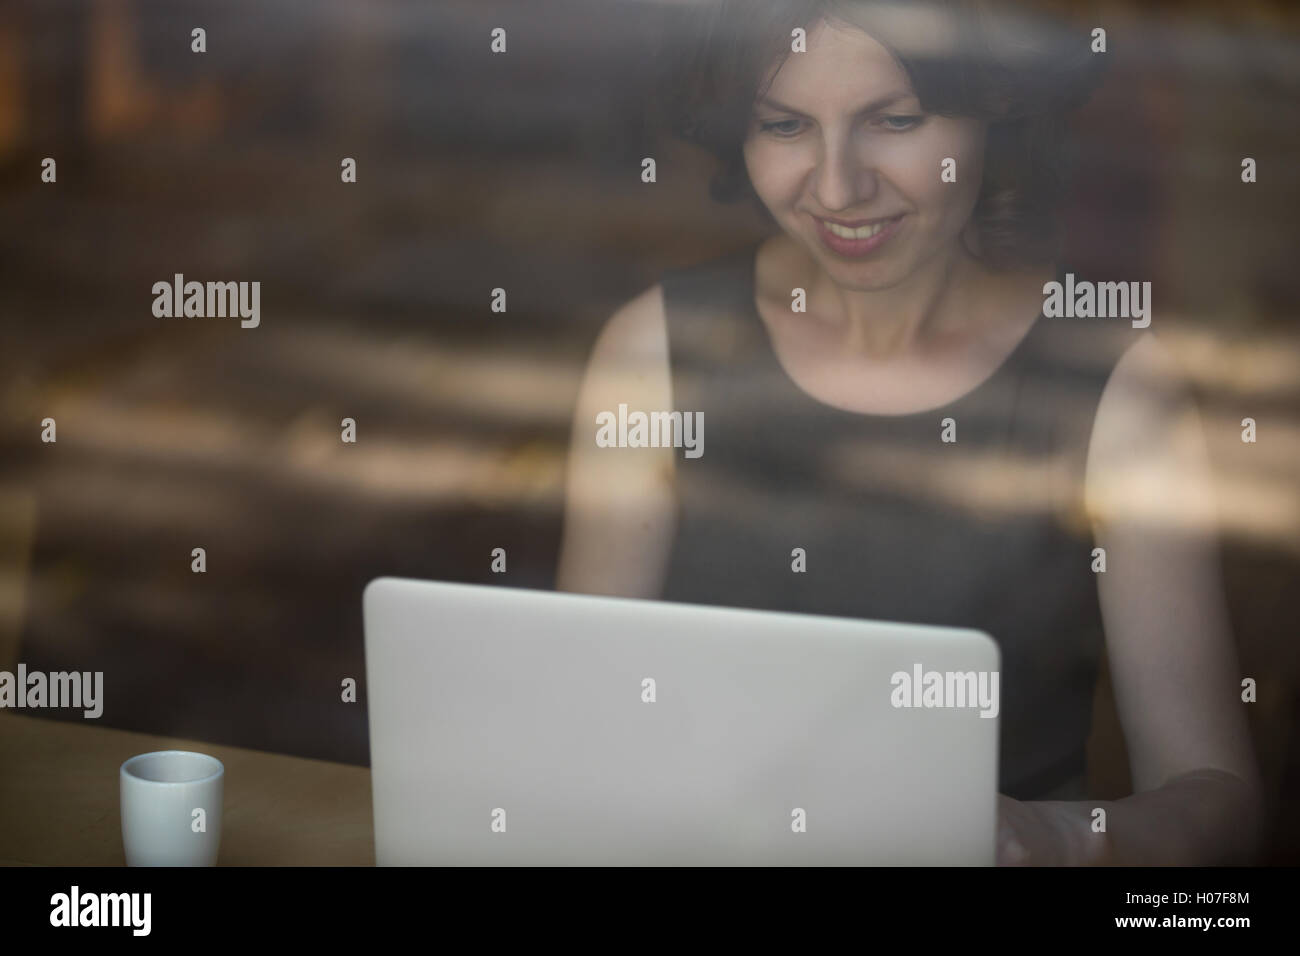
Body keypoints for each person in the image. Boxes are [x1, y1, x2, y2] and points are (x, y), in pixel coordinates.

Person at [557, 0, 1263, 865]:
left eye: (895, 120)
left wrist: (1062, 839)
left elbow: (1218, 795)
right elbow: (584, 726)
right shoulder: (653, 350)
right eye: (784, 125)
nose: (838, 188)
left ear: (998, 115)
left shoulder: (1111, 382)